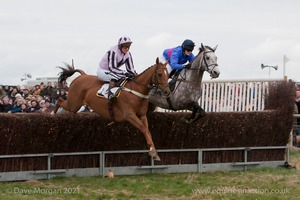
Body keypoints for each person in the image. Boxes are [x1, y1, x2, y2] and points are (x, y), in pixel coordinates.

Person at [97, 36, 137, 101]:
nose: (127, 49)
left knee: (127, 78)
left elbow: (130, 69)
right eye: (125, 47)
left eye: (128, 47)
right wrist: (125, 73)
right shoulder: (113, 51)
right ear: (120, 46)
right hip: (103, 70)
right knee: (116, 77)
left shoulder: (128, 54)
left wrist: (134, 75)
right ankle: (110, 94)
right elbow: (112, 68)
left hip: (113, 71)